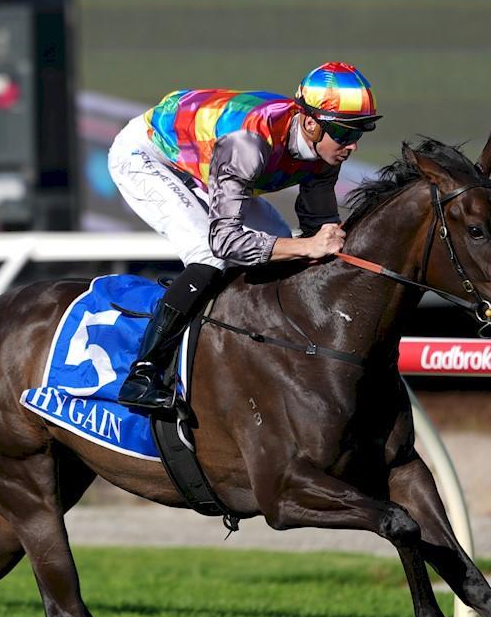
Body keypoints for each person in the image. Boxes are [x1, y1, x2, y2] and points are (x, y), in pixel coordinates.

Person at [107, 61, 382, 412]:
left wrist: (316, 246)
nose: (353, 146)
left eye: (359, 133)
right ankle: (143, 373)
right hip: (148, 155)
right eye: (345, 133)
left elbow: (317, 228)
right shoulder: (248, 143)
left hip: (207, 162)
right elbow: (224, 240)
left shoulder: (328, 149)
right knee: (210, 255)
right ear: (311, 124)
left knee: (281, 241)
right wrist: (307, 245)